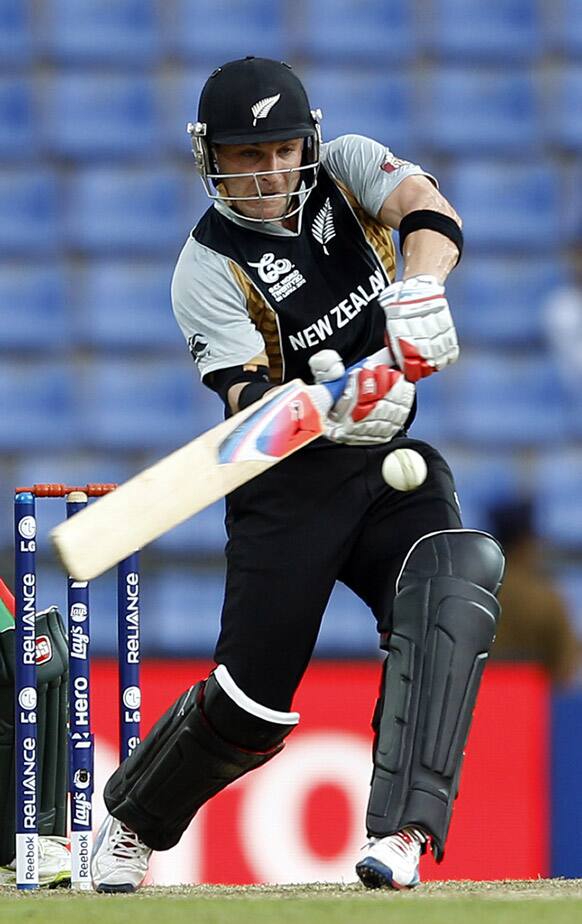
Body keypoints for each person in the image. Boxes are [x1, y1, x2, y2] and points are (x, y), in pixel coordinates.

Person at [90, 57, 505, 893]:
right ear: (210, 159)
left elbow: (429, 211)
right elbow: (247, 403)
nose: (269, 170)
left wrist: (420, 289)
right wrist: (339, 403)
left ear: (308, 140)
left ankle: (403, 836)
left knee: (452, 586)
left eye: (281, 148)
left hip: (392, 471)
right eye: (246, 155)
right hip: (286, 483)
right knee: (250, 703)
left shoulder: (350, 165)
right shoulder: (206, 266)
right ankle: (134, 819)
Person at [488, 499, 578, 685]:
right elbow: (565, 669)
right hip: (531, 705)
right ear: (526, 544)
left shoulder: (476, 590)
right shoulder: (545, 597)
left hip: (476, 703)